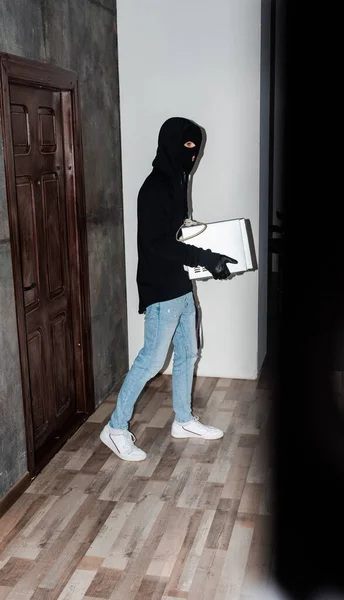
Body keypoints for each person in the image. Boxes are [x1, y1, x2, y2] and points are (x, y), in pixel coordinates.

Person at [100, 117, 237, 461]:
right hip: (161, 288)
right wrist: (206, 257)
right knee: (150, 361)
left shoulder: (176, 181)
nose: (192, 155)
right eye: (187, 146)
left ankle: (184, 420)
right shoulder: (156, 187)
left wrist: (202, 246)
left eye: (197, 148)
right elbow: (157, 243)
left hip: (180, 283)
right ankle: (115, 429)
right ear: (171, 144)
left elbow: (174, 234)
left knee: (189, 353)